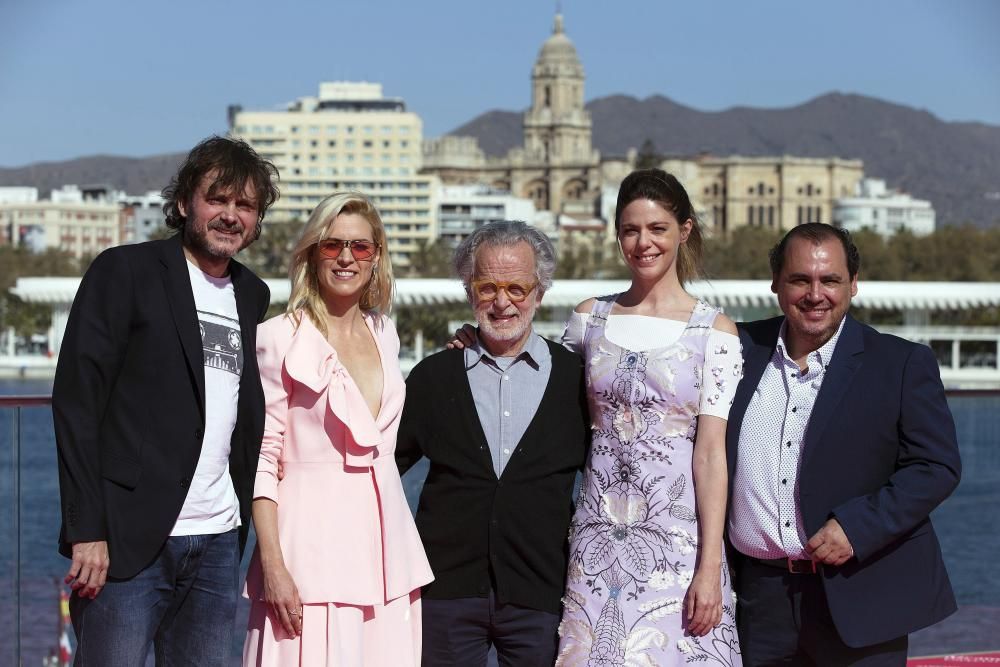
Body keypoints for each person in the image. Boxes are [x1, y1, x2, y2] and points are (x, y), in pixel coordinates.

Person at [52, 135, 278, 665]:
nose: (230, 215)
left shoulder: (253, 294)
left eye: (245, 205)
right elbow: (77, 402)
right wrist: (87, 531)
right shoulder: (124, 271)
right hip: (127, 544)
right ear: (183, 204)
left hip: (219, 540)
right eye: (217, 199)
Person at [727, 223, 961, 665]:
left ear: (853, 284)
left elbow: (935, 467)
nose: (815, 294)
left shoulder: (901, 363)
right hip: (758, 603)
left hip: (862, 596)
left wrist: (856, 527)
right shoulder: (734, 349)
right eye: (800, 280)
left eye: (830, 280)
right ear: (776, 282)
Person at [555, 169, 743, 665]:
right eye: (630, 230)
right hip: (595, 549)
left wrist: (709, 566)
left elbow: (710, 456)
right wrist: (472, 341)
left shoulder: (714, 332)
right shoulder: (588, 319)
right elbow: (544, 402)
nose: (643, 243)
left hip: (679, 555)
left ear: (684, 230)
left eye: (657, 228)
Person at [243, 192, 432, 665]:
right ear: (312, 252)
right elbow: (264, 459)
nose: (346, 257)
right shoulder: (277, 337)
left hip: (386, 551)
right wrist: (274, 566)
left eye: (361, 247)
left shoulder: (385, 331)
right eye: (332, 245)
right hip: (308, 553)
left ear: (376, 257)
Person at [396, 220, 590, 666]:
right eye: (487, 287)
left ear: (539, 292)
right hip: (444, 595)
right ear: (469, 291)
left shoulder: (576, 381)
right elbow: (382, 472)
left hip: (540, 596)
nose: (502, 302)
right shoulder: (433, 378)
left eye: (517, 288)